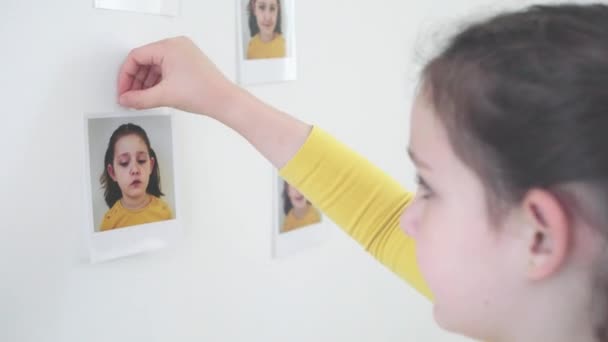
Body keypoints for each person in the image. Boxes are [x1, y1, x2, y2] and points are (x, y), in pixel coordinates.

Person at [116, 4, 608, 341]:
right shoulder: (540, 298)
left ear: (539, 238)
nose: (409, 218)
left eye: (429, 190)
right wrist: (223, 98)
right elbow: (379, 217)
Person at [99, 123, 173, 231]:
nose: (135, 170)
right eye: (124, 163)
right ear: (113, 173)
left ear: (151, 166)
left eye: (141, 160)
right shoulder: (109, 223)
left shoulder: (164, 212)